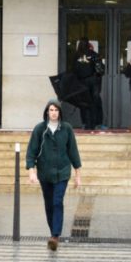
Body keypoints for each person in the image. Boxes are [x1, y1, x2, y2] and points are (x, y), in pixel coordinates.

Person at [26, 98, 82, 252]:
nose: (54, 113)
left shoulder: (66, 129)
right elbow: (31, 152)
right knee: (49, 204)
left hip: (62, 172)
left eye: (56, 110)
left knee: (57, 201)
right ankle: (53, 233)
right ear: (47, 112)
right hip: (45, 173)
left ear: (60, 112)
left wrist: (78, 175)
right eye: (51, 110)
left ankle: (55, 235)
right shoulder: (40, 129)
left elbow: (73, 152)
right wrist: (32, 171)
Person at [71, 39, 103, 130]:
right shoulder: (93, 54)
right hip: (93, 81)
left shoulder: (76, 56)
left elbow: (73, 70)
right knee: (95, 103)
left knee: (83, 104)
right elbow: (100, 69)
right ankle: (96, 124)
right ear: (88, 45)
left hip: (81, 82)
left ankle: (85, 123)